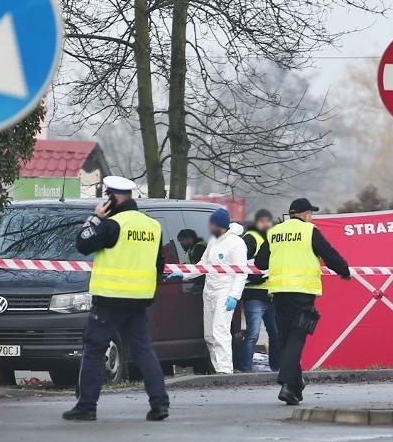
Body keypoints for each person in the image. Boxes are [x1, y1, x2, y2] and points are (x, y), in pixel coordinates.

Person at [64, 176, 170, 422]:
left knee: (94, 348)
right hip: (139, 299)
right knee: (144, 351)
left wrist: (95, 217)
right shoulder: (152, 226)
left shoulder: (113, 224)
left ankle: (87, 405)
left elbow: (82, 243)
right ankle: (160, 404)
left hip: (110, 299)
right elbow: (158, 265)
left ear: (113, 197)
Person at [255, 198, 351, 405]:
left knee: (286, 339)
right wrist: (344, 270)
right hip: (302, 293)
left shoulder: (274, 232)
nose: (312, 217)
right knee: (296, 339)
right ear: (305, 214)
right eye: (311, 213)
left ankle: (295, 386)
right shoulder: (309, 231)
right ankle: (287, 383)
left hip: (279, 293)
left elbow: (259, 262)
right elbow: (329, 254)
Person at [168, 208, 246, 374]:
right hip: (209, 290)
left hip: (224, 292)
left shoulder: (237, 243)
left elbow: (242, 272)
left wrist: (234, 296)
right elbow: (202, 266)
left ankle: (225, 370)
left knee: (220, 331)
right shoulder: (214, 241)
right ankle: (217, 368)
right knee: (209, 335)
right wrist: (183, 274)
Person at [241, 209, 280, 372]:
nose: (266, 224)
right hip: (254, 294)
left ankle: (276, 368)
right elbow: (242, 264)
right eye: (262, 221)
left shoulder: (273, 238)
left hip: (270, 294)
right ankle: (246, 369)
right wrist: (258, 277)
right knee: (252, 335)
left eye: (268, 221)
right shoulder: (250, 238)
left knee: (276, 335)